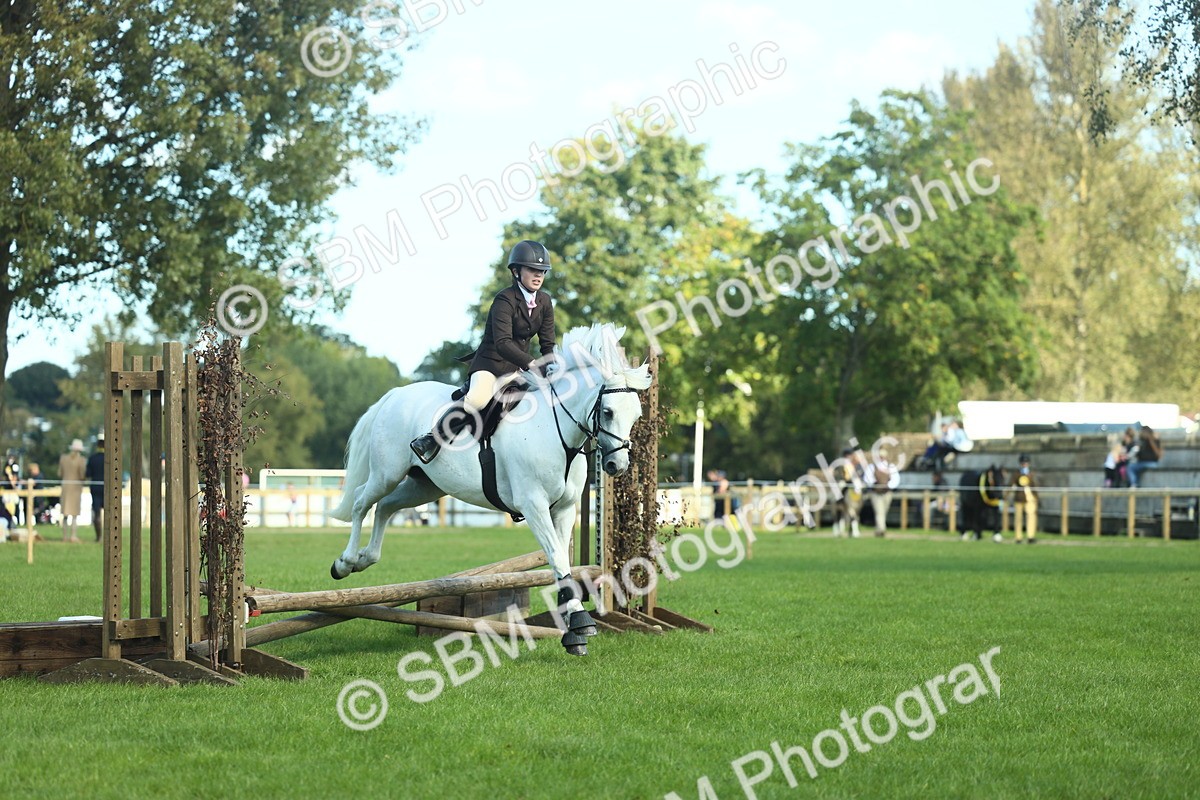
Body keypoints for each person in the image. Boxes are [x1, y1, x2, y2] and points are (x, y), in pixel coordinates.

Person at [411, 240, 557, 464]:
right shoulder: (505, 300)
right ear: (516, 271)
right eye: (532, 270)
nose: (538, 275)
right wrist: (533, 364)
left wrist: (552, 365)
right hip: (491, 365)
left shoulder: (545, 301)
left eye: (542, 271)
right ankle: (431, 438)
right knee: (478, 399)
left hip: (518, 368)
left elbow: (547, 343)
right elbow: (503, 343)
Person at [59, 439, 87, 542]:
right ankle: (73, 535)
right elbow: (82, 475)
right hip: (75, 488)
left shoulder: (63, 459)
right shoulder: (81, 460)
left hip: (65, 487)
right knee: (74, 514)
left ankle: (65, 536)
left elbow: (60, 473)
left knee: (65, 514)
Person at [864, 457, 899, 537]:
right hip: (876, 493)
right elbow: (868, 479)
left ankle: (879, 529)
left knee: (884, 511)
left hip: (887, 493)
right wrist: (875, 486)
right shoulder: (872, 466)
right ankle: (881, 529)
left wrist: (887, 486)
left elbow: (895, 480)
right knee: (879, 511)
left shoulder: (891, 466)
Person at [1010, 453, 1038, 544]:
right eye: (1023, 463)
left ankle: (1030, 536)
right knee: (1018, 518)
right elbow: (1011, 484)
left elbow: (1034, 486)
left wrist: (1036, 497)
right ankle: (1018, 537)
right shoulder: (1017, 473)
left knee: (1031, 516)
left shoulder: (1031, 474)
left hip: (1030, 498)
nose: (1024, 465)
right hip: (1019, 497)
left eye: (1026, 463)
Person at [85, 434, 106, 542]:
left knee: (97, 512)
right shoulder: (110, 458)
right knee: (110, 512)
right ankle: (110, 536)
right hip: (108, 487)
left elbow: (87, 474)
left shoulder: (92, 458)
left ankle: (99, 537)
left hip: (95, 487)